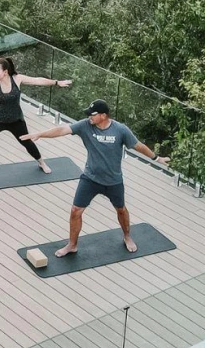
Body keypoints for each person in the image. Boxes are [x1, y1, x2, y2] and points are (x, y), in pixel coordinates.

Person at [21, 99, 168, 256]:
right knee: (75, 211)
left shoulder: (120, 130)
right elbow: (62, 129)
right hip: (90, 179)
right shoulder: (85, 125)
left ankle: (127, 236)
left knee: (121, 210)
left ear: (103, 116)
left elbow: (138, 146)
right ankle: (72, 245)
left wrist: (157, 159)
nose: (89, 117)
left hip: (113, 182)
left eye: (93, 114)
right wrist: (40, 134)